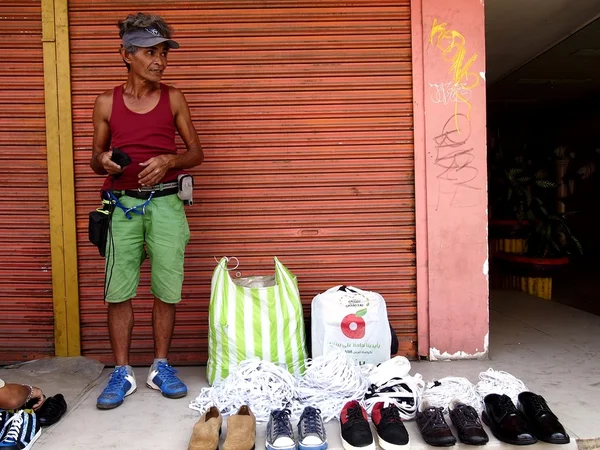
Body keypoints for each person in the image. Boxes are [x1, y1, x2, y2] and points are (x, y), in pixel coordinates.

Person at [90, 12, 203, 410]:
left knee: (166, 290)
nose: (160, 61)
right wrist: (105, 161)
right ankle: (122, 373)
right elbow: (94, 159)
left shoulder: (174, 98)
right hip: (121, 207)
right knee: (118, 292)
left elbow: (196, 152)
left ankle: (160, 366)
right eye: (150, 53)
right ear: (126, 54)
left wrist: (172, 161)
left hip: (168, 204)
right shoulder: (107, 102)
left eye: (163, 53)